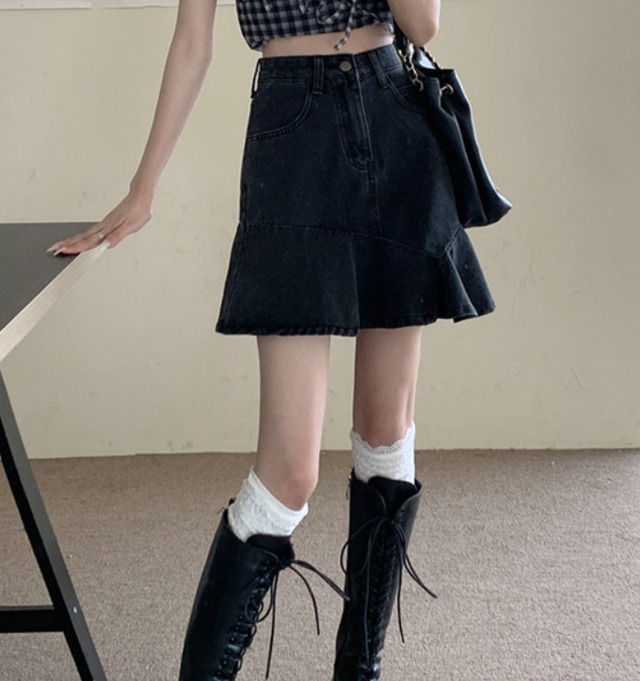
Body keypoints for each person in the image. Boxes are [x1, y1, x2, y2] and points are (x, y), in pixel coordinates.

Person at [49, 1, 497, 679]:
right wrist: (143, 188)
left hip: (394, 119)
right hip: (293, 132)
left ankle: (361, 667)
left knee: (386, 431)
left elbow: (423, 22)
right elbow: (193, 42)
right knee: (289, 472)